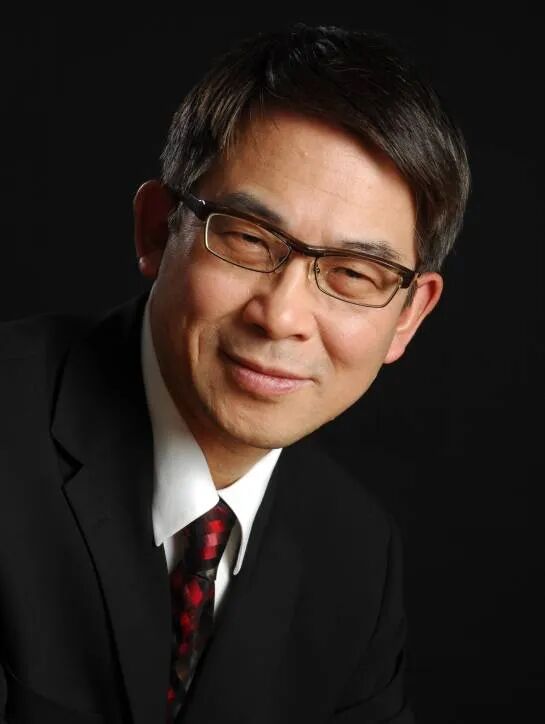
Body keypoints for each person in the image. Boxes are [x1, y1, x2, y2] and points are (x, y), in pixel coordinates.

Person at [0, 23, 469, 724]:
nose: (282, 317)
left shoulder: (357, 560)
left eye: (352, 273)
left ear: (407, 316)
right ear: (157, 229)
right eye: (248, 239)